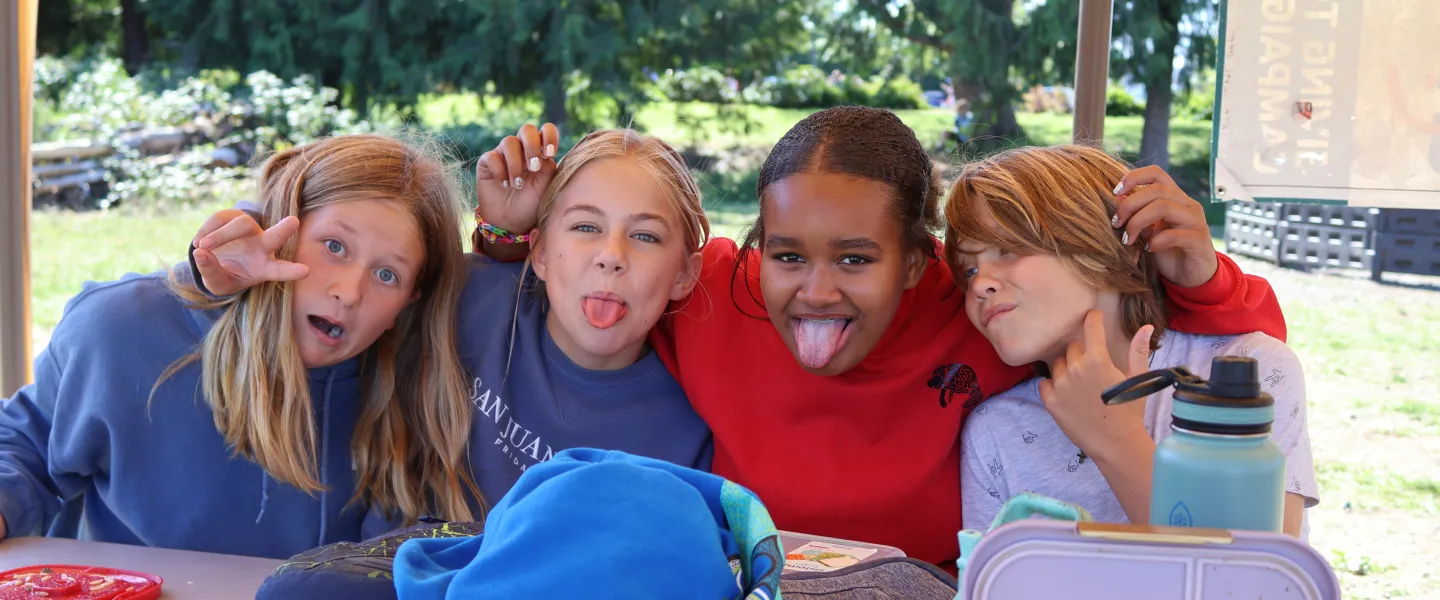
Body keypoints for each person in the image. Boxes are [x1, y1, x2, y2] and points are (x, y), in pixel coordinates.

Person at [458, 106, 1289, 569]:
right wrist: (505, 239)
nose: (815, 289)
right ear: (752, 252)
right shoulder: (707, 290)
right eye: (787, 256)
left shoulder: (978, 313)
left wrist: (1202, 275)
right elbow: (594, 281)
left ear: (920, 262)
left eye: (856, 258)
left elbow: (1227, 350)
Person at [0, 134, 478, 558]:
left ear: (412, 299)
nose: (349, 292)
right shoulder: (120, 327)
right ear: (278, 232)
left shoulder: (415, 386)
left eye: (386, 275)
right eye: (334, 246)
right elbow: (26, 444)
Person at [188, 128, 713, 509]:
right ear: (542, 252)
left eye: (645, 236)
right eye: (584, 227)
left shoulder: (691, 422)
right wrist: (226, 254)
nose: (611, 256)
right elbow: (339, 252)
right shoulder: (471, 297)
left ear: (686, 275)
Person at [950, 146, 1316, 538]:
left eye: (1010, 249)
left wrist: (1118, 443)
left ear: (1105, 239)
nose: (980, 284)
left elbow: (1263, 582)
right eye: (969, 270)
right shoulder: (993, 431)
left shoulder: (1250, 371)